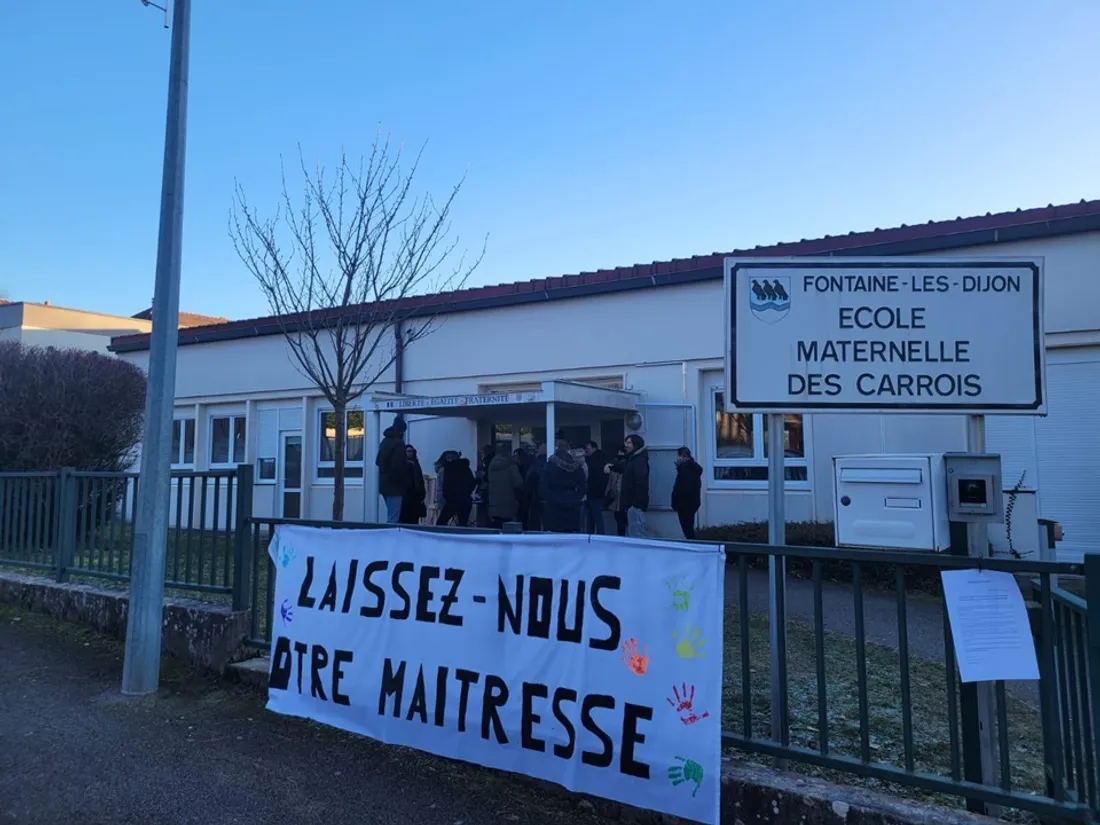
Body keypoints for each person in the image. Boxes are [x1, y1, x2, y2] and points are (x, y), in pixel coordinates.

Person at [606, 434, 649, 537]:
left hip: (635, 505)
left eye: (628, 442)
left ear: (636, 445)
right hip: (631, 505)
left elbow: (641, 483)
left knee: (637, 534)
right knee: (633, 532)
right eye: (625, 442)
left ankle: (639, 553)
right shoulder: (632, 459)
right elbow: (621, 467)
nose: (625, 445)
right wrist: (611, 466)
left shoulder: (639, 461)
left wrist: (636, 504)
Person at [540, 438, 586, 533]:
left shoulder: (549, 465)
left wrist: (552, 499)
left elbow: (543, 487)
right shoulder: (576, 466)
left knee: (554, 538)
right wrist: (575, 498)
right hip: (572, 504)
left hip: (553, 506)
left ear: (556, 449)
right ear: (568, 450)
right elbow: (584, 487)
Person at [375, 417, 408, 524]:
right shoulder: (399, 443)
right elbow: (397, 466)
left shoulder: (384, 441)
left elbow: (378, 461)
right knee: (393, 517)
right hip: (395, 486)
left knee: (391, 514)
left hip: (384, 484)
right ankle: (390, 538)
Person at [487, 443, 524, 528]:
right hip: (508, 505)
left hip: (494, 505)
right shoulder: (511, 466)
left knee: (496, 529)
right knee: (509, 530)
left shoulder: (491, 465)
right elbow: (519, 484)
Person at [670, 446, 703, 539]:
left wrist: (677, 502)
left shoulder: (686, 470)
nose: (677, 459)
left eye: (678, 456)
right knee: (688, 528)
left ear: (683, 456)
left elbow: (683, 487)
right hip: (691, 504)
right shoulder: (691, 468)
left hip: (685, 505)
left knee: (687, 530)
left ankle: (694, 547)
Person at [436, 450, 475, 527]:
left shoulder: (446, 469)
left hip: (452, 500)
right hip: (465, 499)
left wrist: (445, 497)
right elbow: (472, 484)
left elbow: (444, 486)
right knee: (462, 524)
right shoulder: (465, 468)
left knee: (441, 523)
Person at [583, 440, 607, 534]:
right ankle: (594, 535)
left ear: (594, 448)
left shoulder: (594, 461)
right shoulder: (599, 459)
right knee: (592, 517)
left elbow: (593, 477)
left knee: (595, 517)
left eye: (588, 449)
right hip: (593, 493)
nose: (586, 451)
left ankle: (598, 535)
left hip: (594, 493)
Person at [399, 445, 427, 525]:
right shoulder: (403, 464)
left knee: (414, 519)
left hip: (415, 495)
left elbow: (420, 479)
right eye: (408, 451)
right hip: (406, 495)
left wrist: (422, 494)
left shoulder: (416, 463)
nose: (410, 453)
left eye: (411, 451)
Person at [603, 449, 628, 536]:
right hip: (617, 496)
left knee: (622, 519)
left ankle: (623, 536)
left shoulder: (624, 465)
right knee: (619, 518)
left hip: (622, 496)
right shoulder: (615, 464)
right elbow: (607, 470)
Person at [524, 442, 548, 531]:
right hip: (547, 499)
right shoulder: (550, 464)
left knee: (535, 523)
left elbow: (529, 482)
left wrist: (527, 498)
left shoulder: (535, 465)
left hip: (535, 498)